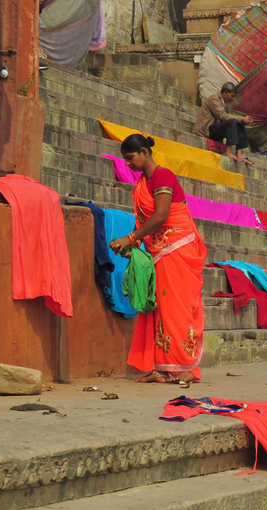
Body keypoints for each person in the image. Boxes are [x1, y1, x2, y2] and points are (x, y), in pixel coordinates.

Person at [109, 134, 208, 384]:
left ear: (144, 152)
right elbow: (149, 221)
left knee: (177, 308)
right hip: (160, 250)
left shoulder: (163, 176)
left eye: (130, 158)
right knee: (159, 307)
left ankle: (186, 367)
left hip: (177, 247)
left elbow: (162, 215)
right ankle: (162, 368)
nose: (128, 164)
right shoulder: (144, 181)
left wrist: (130, 238)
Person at [192, 82, 253, 164]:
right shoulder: (214, 99)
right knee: (232, 122)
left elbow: (229, 117)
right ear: (225, 92)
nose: (233, 99)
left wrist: (243, 121)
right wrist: (241, 118)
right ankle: (228, 152)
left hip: (215, 131)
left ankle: (239, 154)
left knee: (240, 124)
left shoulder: (225, 105)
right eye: (232, 96)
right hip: (206, 130)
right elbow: (222, 116)